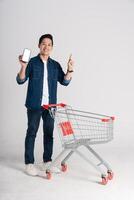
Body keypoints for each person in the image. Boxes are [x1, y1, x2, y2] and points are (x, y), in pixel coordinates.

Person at [16, 34, 74, 176]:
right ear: (39, 46)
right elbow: (20, 80)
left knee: (49, 134)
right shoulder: (32, 63)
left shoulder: (55, 65)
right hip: (34, 105)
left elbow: (65, 81)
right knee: (31, 133)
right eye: (43, 43)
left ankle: (47, 161)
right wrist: (23, 66)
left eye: (49, 44)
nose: (46, 46)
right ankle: (29, 164)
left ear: (52, 47)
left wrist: (70, 70)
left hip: (50, 106)